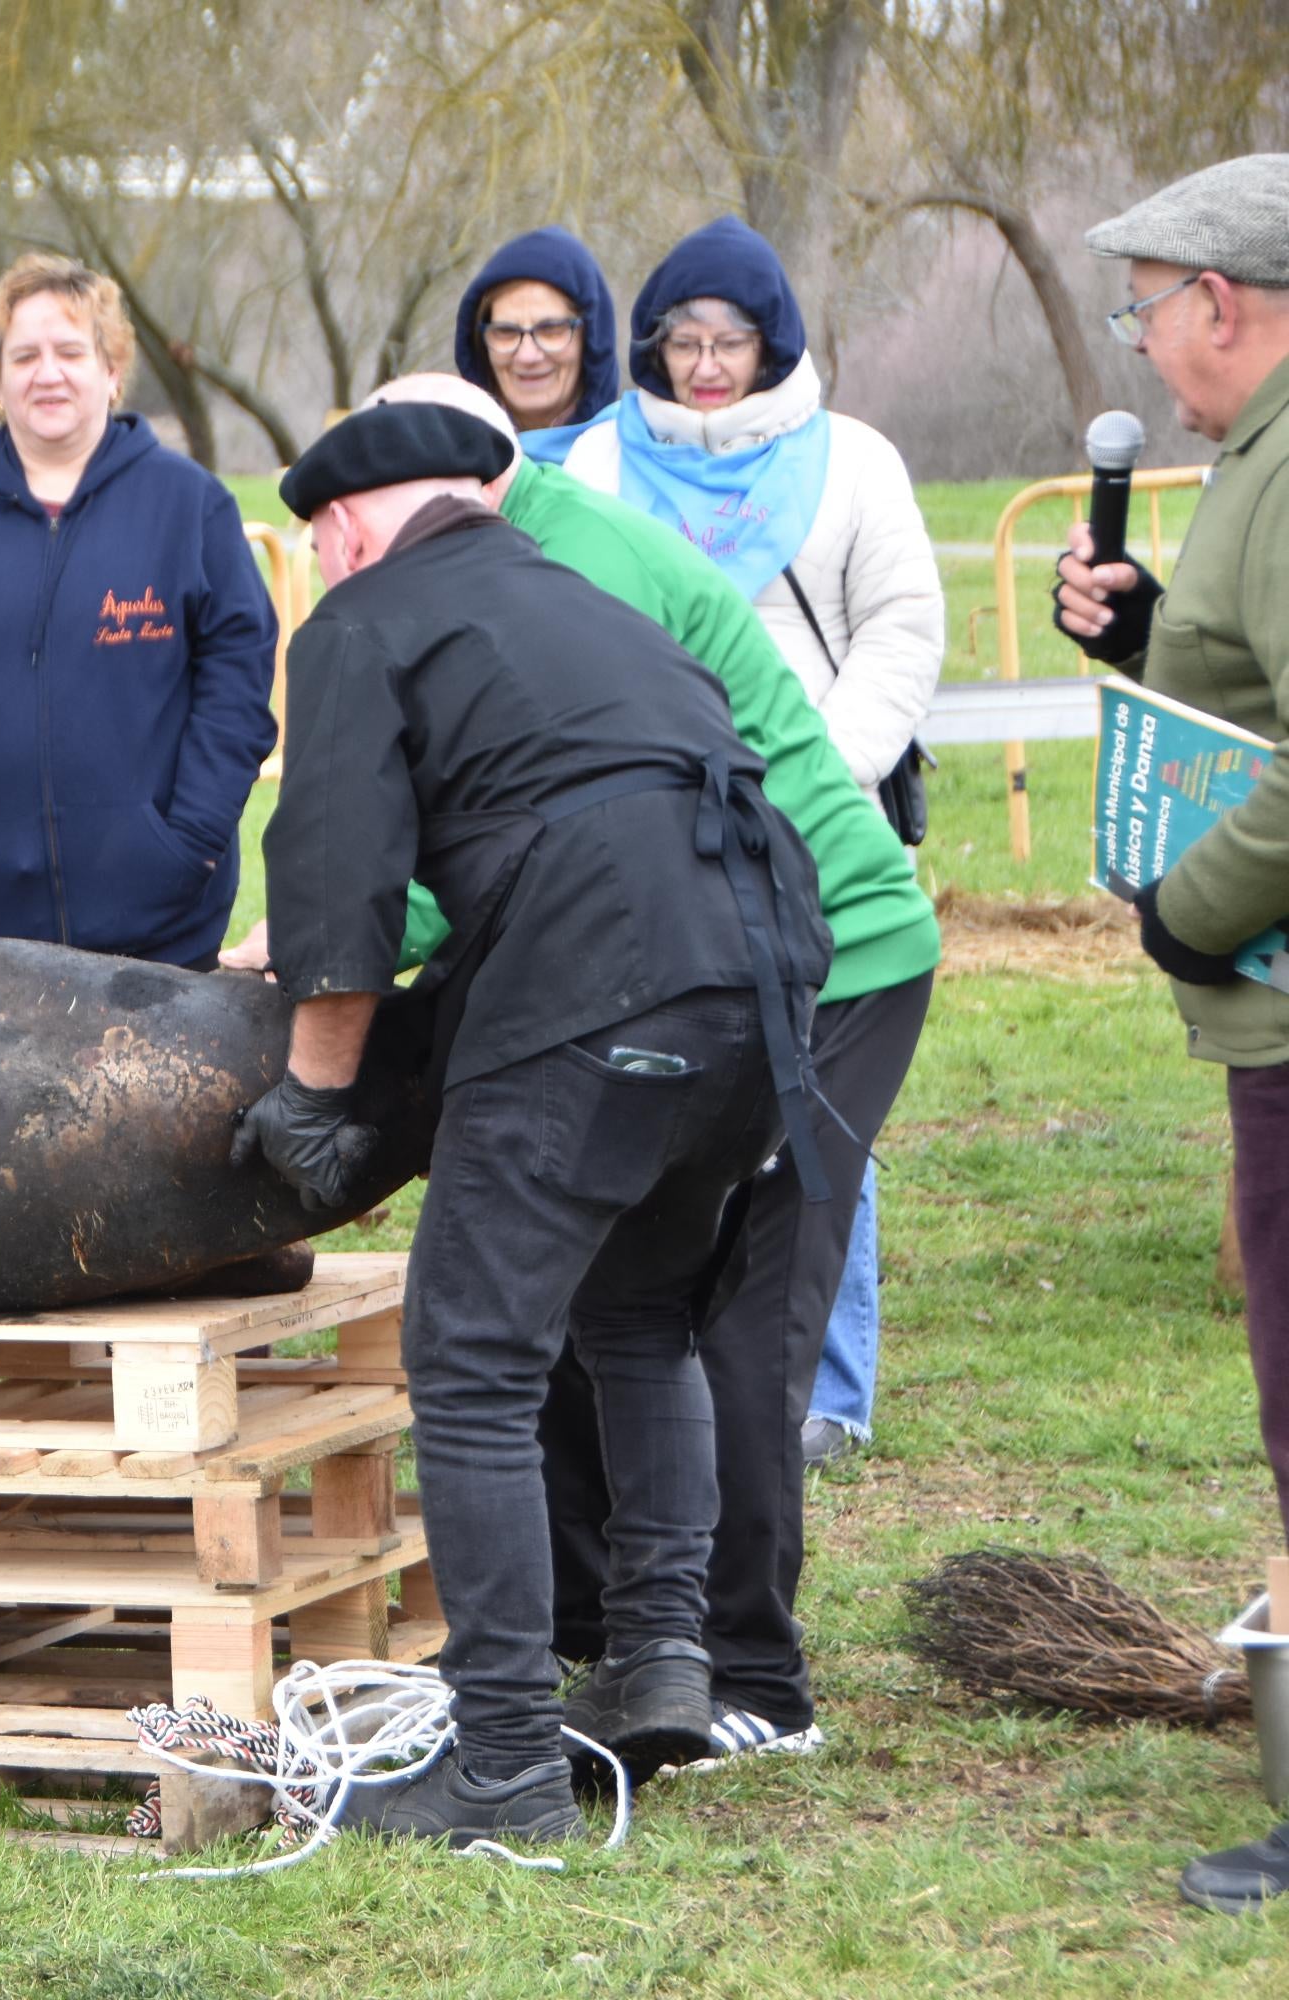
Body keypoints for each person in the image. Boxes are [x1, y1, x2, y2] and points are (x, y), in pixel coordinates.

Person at [239, 401, 830, 1845]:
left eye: (323, 543)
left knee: (476, 1355)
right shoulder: (588, 604)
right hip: (760, 983)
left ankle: (502, 1759)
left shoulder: (362, 619)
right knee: (641, 1323)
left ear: (344, 531)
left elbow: (336, 878)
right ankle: (661, 1662)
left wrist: (317, 1098)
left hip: (600, 976)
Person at [357, 373, 941, 1775]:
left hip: (823, 949)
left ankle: (755, 1678)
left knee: (734, 1316)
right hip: (692, 948)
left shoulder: (570, 557)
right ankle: (621, 1640)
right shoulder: (512, 544)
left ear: (476, 478)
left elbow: (561, 810)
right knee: (610, 1297)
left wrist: (370, 941)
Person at [562, 215, 944, 1469]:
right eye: (683, 340)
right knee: (692, 1087)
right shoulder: (603, 470)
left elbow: (898, 629)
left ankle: (825, 1384)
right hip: (662, 829)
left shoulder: (851, 462)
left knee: (825, 1098)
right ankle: (679, 1352)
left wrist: (814, 774)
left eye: (731, 341)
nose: (708, 365)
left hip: (822, 819)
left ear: (772, 343)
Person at [1053, 153, 1289, 1918]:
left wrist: (1186, 907)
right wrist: (1142, 641)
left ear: (1223, 299)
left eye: (1147, 310)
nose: (1145, 347)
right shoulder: (1248, 471)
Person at [0, 253, 277, 970]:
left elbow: (237, 685)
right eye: (25, 356)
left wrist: (192, 840)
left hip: (164, 934)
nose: (48, 372)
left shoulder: (189, 506)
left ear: (112, 371)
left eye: (71, 352)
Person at [451, 226, 620, 460]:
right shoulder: (445, 464)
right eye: (506, 331)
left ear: (591, 340)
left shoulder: (637, 463)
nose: (527, 356)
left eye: (550, 330)